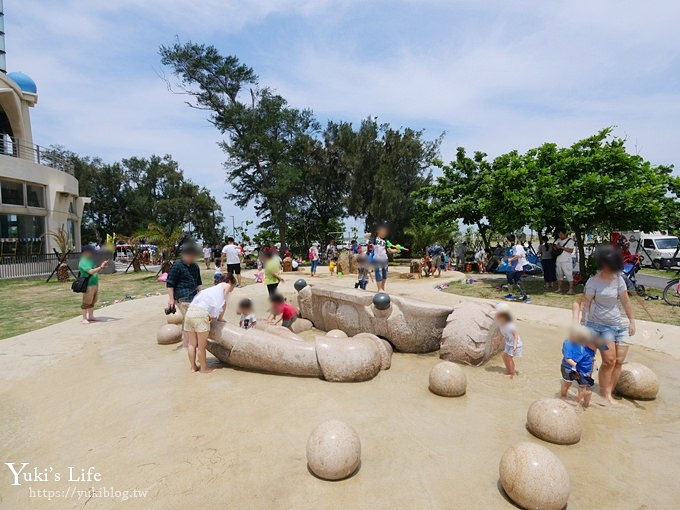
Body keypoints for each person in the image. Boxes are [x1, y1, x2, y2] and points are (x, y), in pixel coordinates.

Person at [577, 246, 635, 405]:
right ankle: (604, 392)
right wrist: (584, 325)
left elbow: (625, 300)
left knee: (618, 361)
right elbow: (586, 304)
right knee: (609, 360)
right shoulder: (593, 281)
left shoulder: (619, 279)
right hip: (599, 325)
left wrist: (632, 321)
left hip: (618, 324)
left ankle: (609, 391)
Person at [184, 273, 236, 373]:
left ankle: (193, 367)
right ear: (230, 282)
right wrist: (220, 319)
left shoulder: (212, 289)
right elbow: (223, 303)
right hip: (201, 314)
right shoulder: (227, 285)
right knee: (201, 346)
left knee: (192, 344)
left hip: (190, 312)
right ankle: (204, 368)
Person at [560, 324, 598, 408]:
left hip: (583, 370)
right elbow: (567, 358)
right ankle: (563, 396)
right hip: (569, 368)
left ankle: (581, 403)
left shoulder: (588, 345)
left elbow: (599, 347)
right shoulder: (568, 343)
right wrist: (575, 365)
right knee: (567, 384)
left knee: (583, 387)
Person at [166, 243, 203, 315]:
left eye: (193, 255)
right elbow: (170, 284)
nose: (191, 257)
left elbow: (198, 283)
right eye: (189, 254)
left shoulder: (195, 267)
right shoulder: (177, 266)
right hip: (182, 295)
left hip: (194, 294)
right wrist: (171, 299)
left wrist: (203, 295)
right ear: (183, 254)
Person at [78, 245, 109, 324]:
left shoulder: (91, 260)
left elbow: (97, 271)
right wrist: (100, 267)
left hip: (94, 283)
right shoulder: (83, 261)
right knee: (86, 301)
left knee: (93, 300)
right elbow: (90, 271)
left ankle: (91, 316)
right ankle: (84, 318)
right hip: (88, 284)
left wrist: (102, 267)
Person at [492, 303, 522, 377]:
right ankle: (508, 370)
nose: (496, 317)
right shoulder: (502, 324)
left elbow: (516, 335)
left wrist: (515, 345)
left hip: (515, 343)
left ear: (504, 316)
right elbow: (503, 334)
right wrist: (497, 339)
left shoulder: (510, 325)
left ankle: (512, 373)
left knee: (509, 357)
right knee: (504, 356)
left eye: (498, 316)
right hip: (509, 344)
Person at [372, 223, 398, 292]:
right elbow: (370, 248)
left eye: (385, 232)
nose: (384, 233)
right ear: (378, 231)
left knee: (385, 274)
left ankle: (382, 287)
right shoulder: (374, 240)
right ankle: (379, 288)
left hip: (385, 259)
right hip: (377, 259)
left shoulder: (385, 241)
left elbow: (389, 250)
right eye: (382, 231)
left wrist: (396, 250)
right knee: (378, 273)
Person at [504, 234, 529, 301]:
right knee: (518, 281)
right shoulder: (520, 246)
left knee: (511, 280)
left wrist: (510, 260)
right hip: (519, 266)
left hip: (514, 266)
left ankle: (511, 294)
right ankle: (523, 294)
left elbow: (517, 256)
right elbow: (522, 255)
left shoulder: (515, 247)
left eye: (507, 240)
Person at [554, 229, 575, 294]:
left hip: (566, 260)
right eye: (559, 234)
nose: (560, 236)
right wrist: (556, 247)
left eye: (561, 234)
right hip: (559, 259)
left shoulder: (570, 241)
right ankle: (559, 288)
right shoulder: (558, 240)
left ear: (565, 234)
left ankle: (571, 289)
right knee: (559, 274)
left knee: (568, 274)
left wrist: (561, 247)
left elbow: (571, 251)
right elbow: (555, 247)